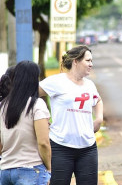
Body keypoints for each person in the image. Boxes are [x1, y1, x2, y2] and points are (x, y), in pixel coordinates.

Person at [39, 45, 103, 185]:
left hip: (88, 148)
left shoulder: (90, 85)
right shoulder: (56, 81)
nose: (91, 64)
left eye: (92, 61)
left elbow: (97, 100)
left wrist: (99, 118)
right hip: (60, 147)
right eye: (88, 60)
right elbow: (31, 95)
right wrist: (41, 119)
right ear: (76, 61)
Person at [0, 60, 51, 185]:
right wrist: (49, 167)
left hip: (5, 171)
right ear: (34, 80)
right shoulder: (36, 105)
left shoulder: (2, 105)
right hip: (30, 170)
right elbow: (43, 143)